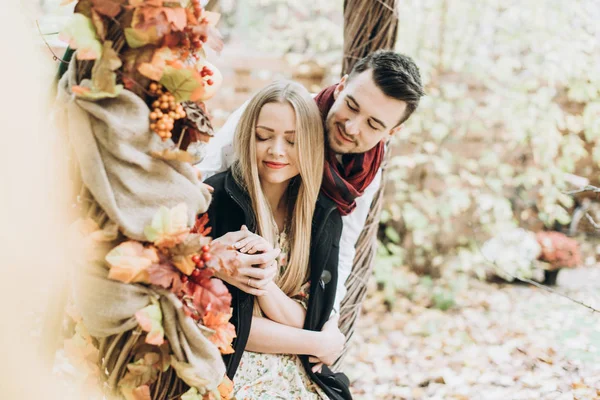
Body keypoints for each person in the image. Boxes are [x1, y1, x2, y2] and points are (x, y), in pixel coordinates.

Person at [199, 50, 425, 316]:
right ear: (341, 86)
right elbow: (203, 183)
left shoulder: (366, 168)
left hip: (293, 289)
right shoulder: (276, 114)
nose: (352, 127)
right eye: (351, 106)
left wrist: (329, 318)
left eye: (373, 125)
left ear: (392, 132)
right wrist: (206, 257)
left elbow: (342, 246)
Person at [205, 80, 352, 399]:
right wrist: (315, 343)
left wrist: (264, 283)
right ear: (247, 136)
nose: (276, 150)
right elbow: (225, 324)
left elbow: (309, 316)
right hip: (229, 368)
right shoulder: (217, 200)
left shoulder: (323, 217)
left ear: (311, 143)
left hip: (298, 372)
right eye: (263, 136)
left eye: (292, 140)